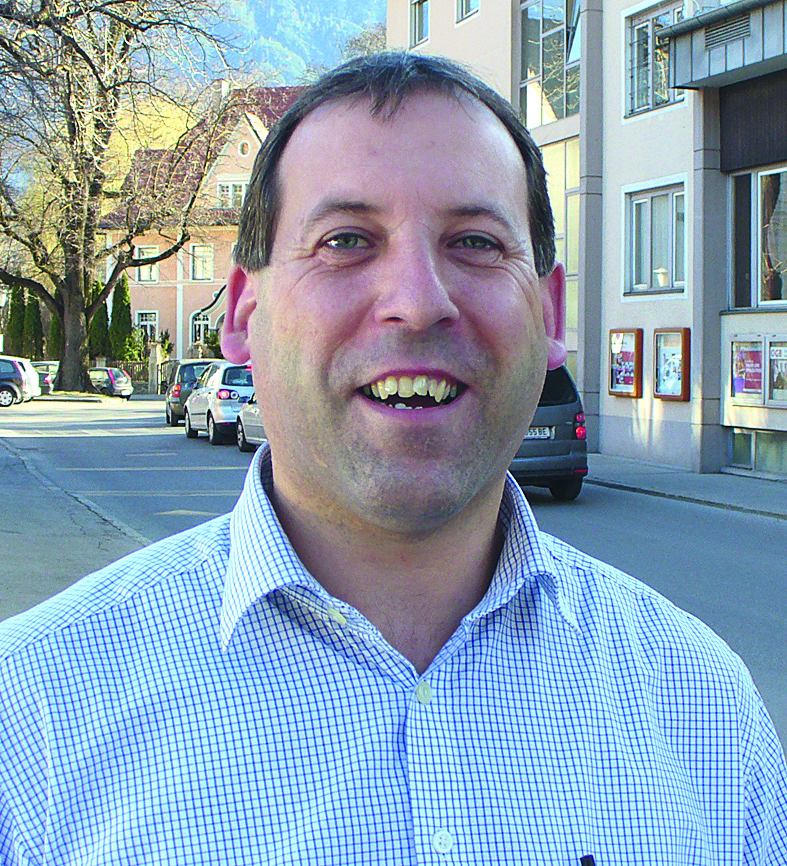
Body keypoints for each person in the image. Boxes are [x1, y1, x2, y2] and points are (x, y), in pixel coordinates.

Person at [1, 52, 785, 865]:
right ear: (241, 313)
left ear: (550, 315)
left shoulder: (702, 712)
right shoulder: (30, 720)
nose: (417, 301)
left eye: (475, 243)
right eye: (345, 241)